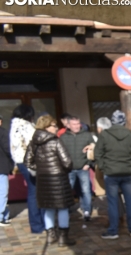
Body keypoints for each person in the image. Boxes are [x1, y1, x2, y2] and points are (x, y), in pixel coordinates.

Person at [23, 115, 75, 246]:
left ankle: (50, 236)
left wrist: (40, 169)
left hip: (43, 180)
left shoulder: (33, 142)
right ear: (46, 126)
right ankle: (63, 238)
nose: (56, 128)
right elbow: (67, 162)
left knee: (48, 208)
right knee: (62, 208)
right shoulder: (55, 141)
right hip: (58, 179)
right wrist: (62, 170)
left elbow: (27, 161)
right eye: (54, 125)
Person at [93, 111, 131, 239]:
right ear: (124, 121)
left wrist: (103, 167)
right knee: (129, 201)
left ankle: (113, 231)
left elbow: (98, 154)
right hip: (126, 172)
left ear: (112, 121)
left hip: (111, 173)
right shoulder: (129, 134)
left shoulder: (105, 135)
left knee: (113, 202)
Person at [10, 104, 45, 233]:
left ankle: (38, 224)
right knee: (36, 192)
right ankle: (38, 224)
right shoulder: (25, 126)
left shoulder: (14, 125)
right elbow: (35, 143)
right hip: (30, 161)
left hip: (20, 161)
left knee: (33, 192)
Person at [60, 115, 95, 222]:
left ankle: (87, 211)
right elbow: (60, 153)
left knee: (86, 190)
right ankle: (66, 210)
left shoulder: (87, 135)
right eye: (74, 124)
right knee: (67, 190)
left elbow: (94, 150)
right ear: (68, 125)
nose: (77, 126)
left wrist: (88, 164)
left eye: (78, 124)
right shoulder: (63, 137)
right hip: (69, 169)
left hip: (83, 168)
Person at [0, 115, 12, 226]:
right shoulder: (3, 132)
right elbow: (7, 148)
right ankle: (1, 216)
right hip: (1, 166)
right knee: (2, 192)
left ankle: (4, 215)